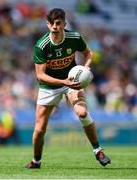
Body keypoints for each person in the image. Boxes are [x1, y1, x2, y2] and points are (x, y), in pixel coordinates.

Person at [26, 8, 111, 169]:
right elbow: (40, 76)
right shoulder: (41, 45)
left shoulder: (74, 37)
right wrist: (63, 82)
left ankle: (98, 151)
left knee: (83, 113)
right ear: (47, 25)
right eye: (51, 24)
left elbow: (89, 53)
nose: (54, 27)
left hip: (71, 83)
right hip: (49, 87)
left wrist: (86, 69)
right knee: (39, 130)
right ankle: (36, 161)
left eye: (58, 23)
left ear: (65, 23)